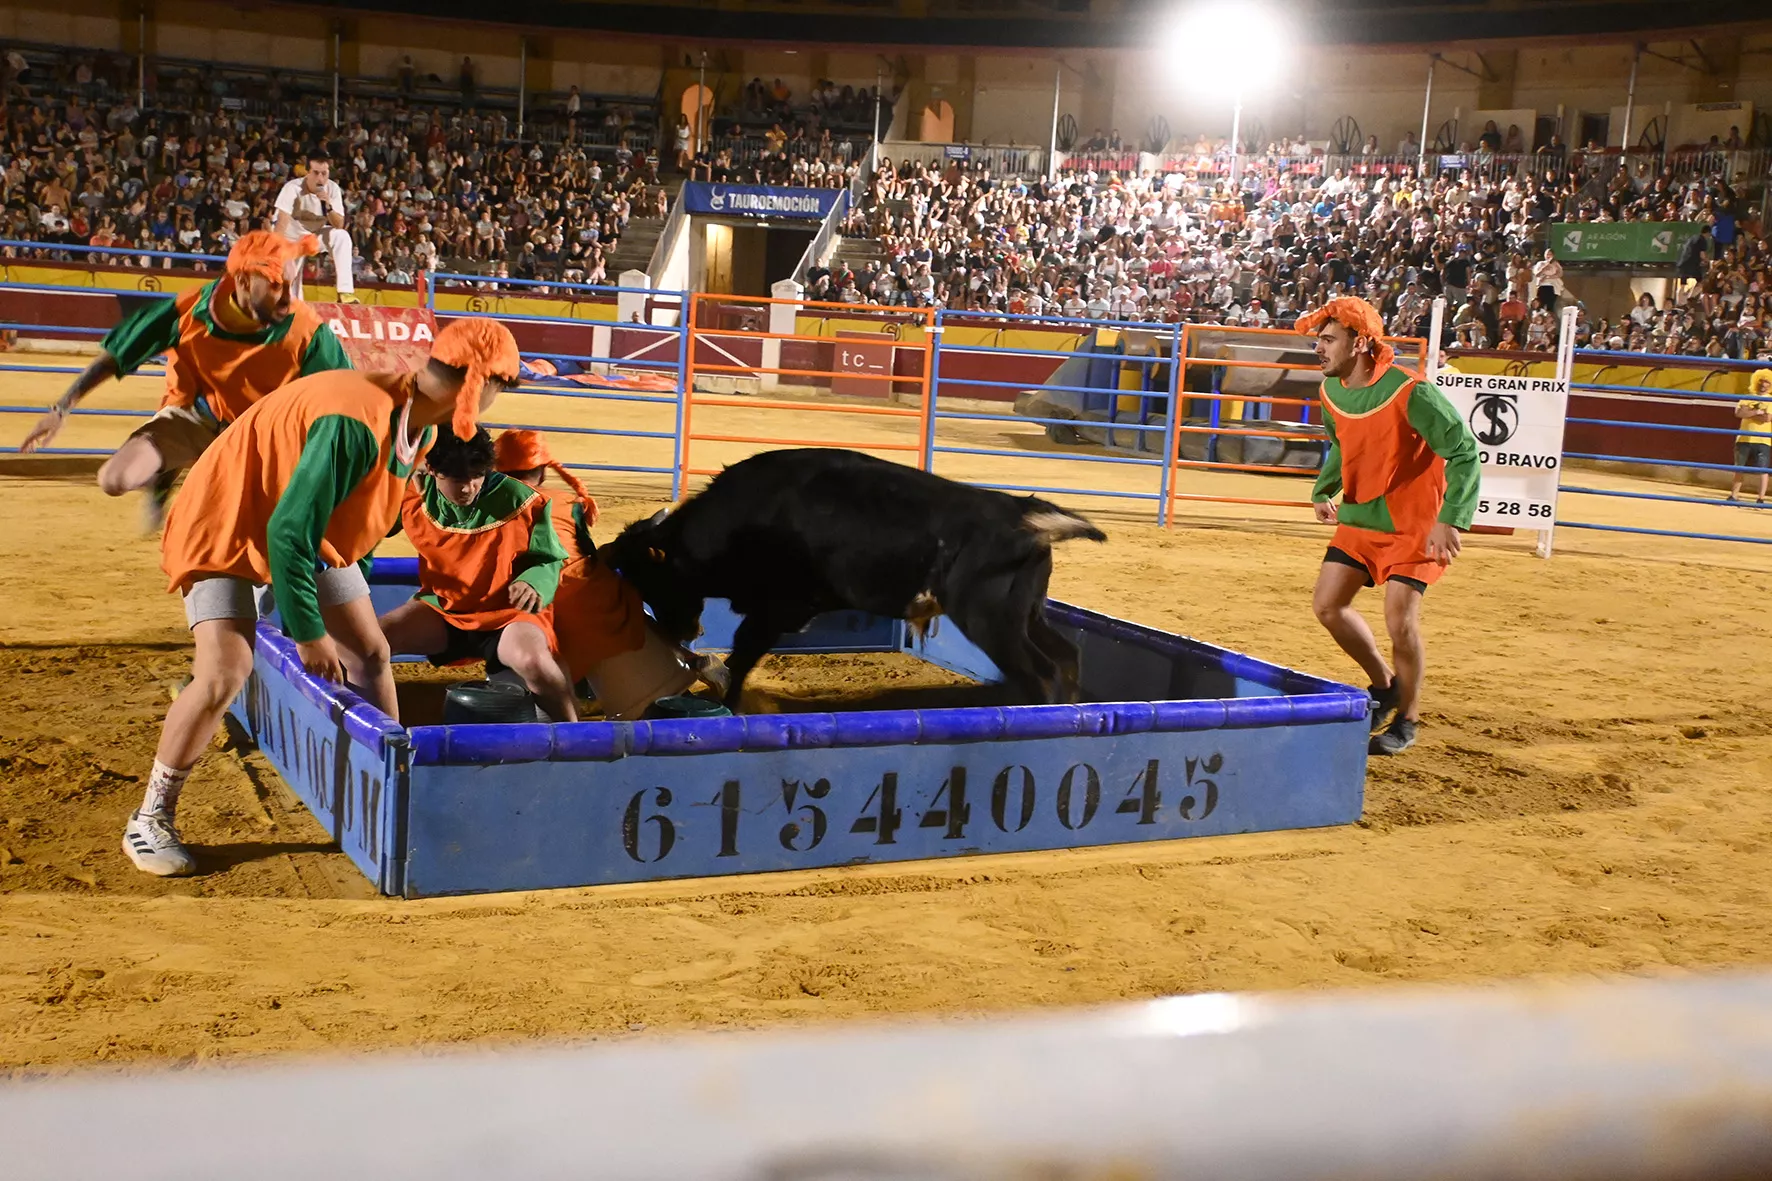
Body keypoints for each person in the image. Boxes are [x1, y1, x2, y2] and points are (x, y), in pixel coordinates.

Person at [123, 317, 521, 876]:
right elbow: (288, 532)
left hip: (303, 527)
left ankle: (389, 799)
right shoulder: (357, 420)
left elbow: (352, 522)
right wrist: (310, 633)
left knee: (370, 651)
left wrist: (335, 602)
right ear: (486, 385)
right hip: (225, 520)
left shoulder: (421, 426)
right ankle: (150, 817)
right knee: (224, 670)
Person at [17, 231, 350, 530]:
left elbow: (346, 396)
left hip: (262, 435)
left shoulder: (307, 329)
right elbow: (116, 355)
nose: (287, 298)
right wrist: (61, 408)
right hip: (198, 416)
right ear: (244, 282)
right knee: (114, 479)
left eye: (291, 285)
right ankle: (163, 476)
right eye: (276, 286)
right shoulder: (188, 311)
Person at [1300, 297, 1479, 757]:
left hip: (1414, 523)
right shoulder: (1330, 391)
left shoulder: (1411, 391)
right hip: (1362, 516)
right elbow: (1343, 444)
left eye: (1328, 340)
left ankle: (1408, 719)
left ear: (1360, 343)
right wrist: (1324, 489)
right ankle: (1385, 685)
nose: (1318, 349)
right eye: (1319, 340)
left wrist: (1451, 518)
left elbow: (1464, 451)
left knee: (1400, 620)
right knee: (1328, 606)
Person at [378, 427, 580, 723]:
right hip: (444, 609)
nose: (468, 488)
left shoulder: (521, 498)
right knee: (373, 642)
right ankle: (379, 734)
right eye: (457, 479)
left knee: (535, 663)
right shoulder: (413, 494)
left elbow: (548, 559)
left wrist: (533, 582)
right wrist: (400, 475)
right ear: (431, 469)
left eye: (476, 476)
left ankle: (575, 736)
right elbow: (375, 526)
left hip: (508, 614)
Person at [273, 153, 356, 302]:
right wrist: (278, 251)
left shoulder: (332, 188)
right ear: (307, 173)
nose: (320, 178)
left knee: (342, 237)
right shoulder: (292, 188)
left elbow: (339, 225)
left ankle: (345, 292)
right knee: (291, 294)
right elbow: (281, 222)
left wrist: (328, 207)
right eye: (316, 173)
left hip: (313, 236)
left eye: (324, 173)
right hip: (290, 239)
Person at [1729, 369, 1772, 504]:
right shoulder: (1747, 397)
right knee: (1739, 468)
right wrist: (1758, 412)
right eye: (1761, 381)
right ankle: (1734, 496)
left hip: (1763, 439)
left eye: (1767, 381)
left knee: (1763, 470)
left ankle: (1761, 498)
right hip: (1744, 438)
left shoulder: (1770, 400)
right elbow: (1739, 413)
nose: (1763, 384)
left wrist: (1749, 412)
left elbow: (1767, 418)